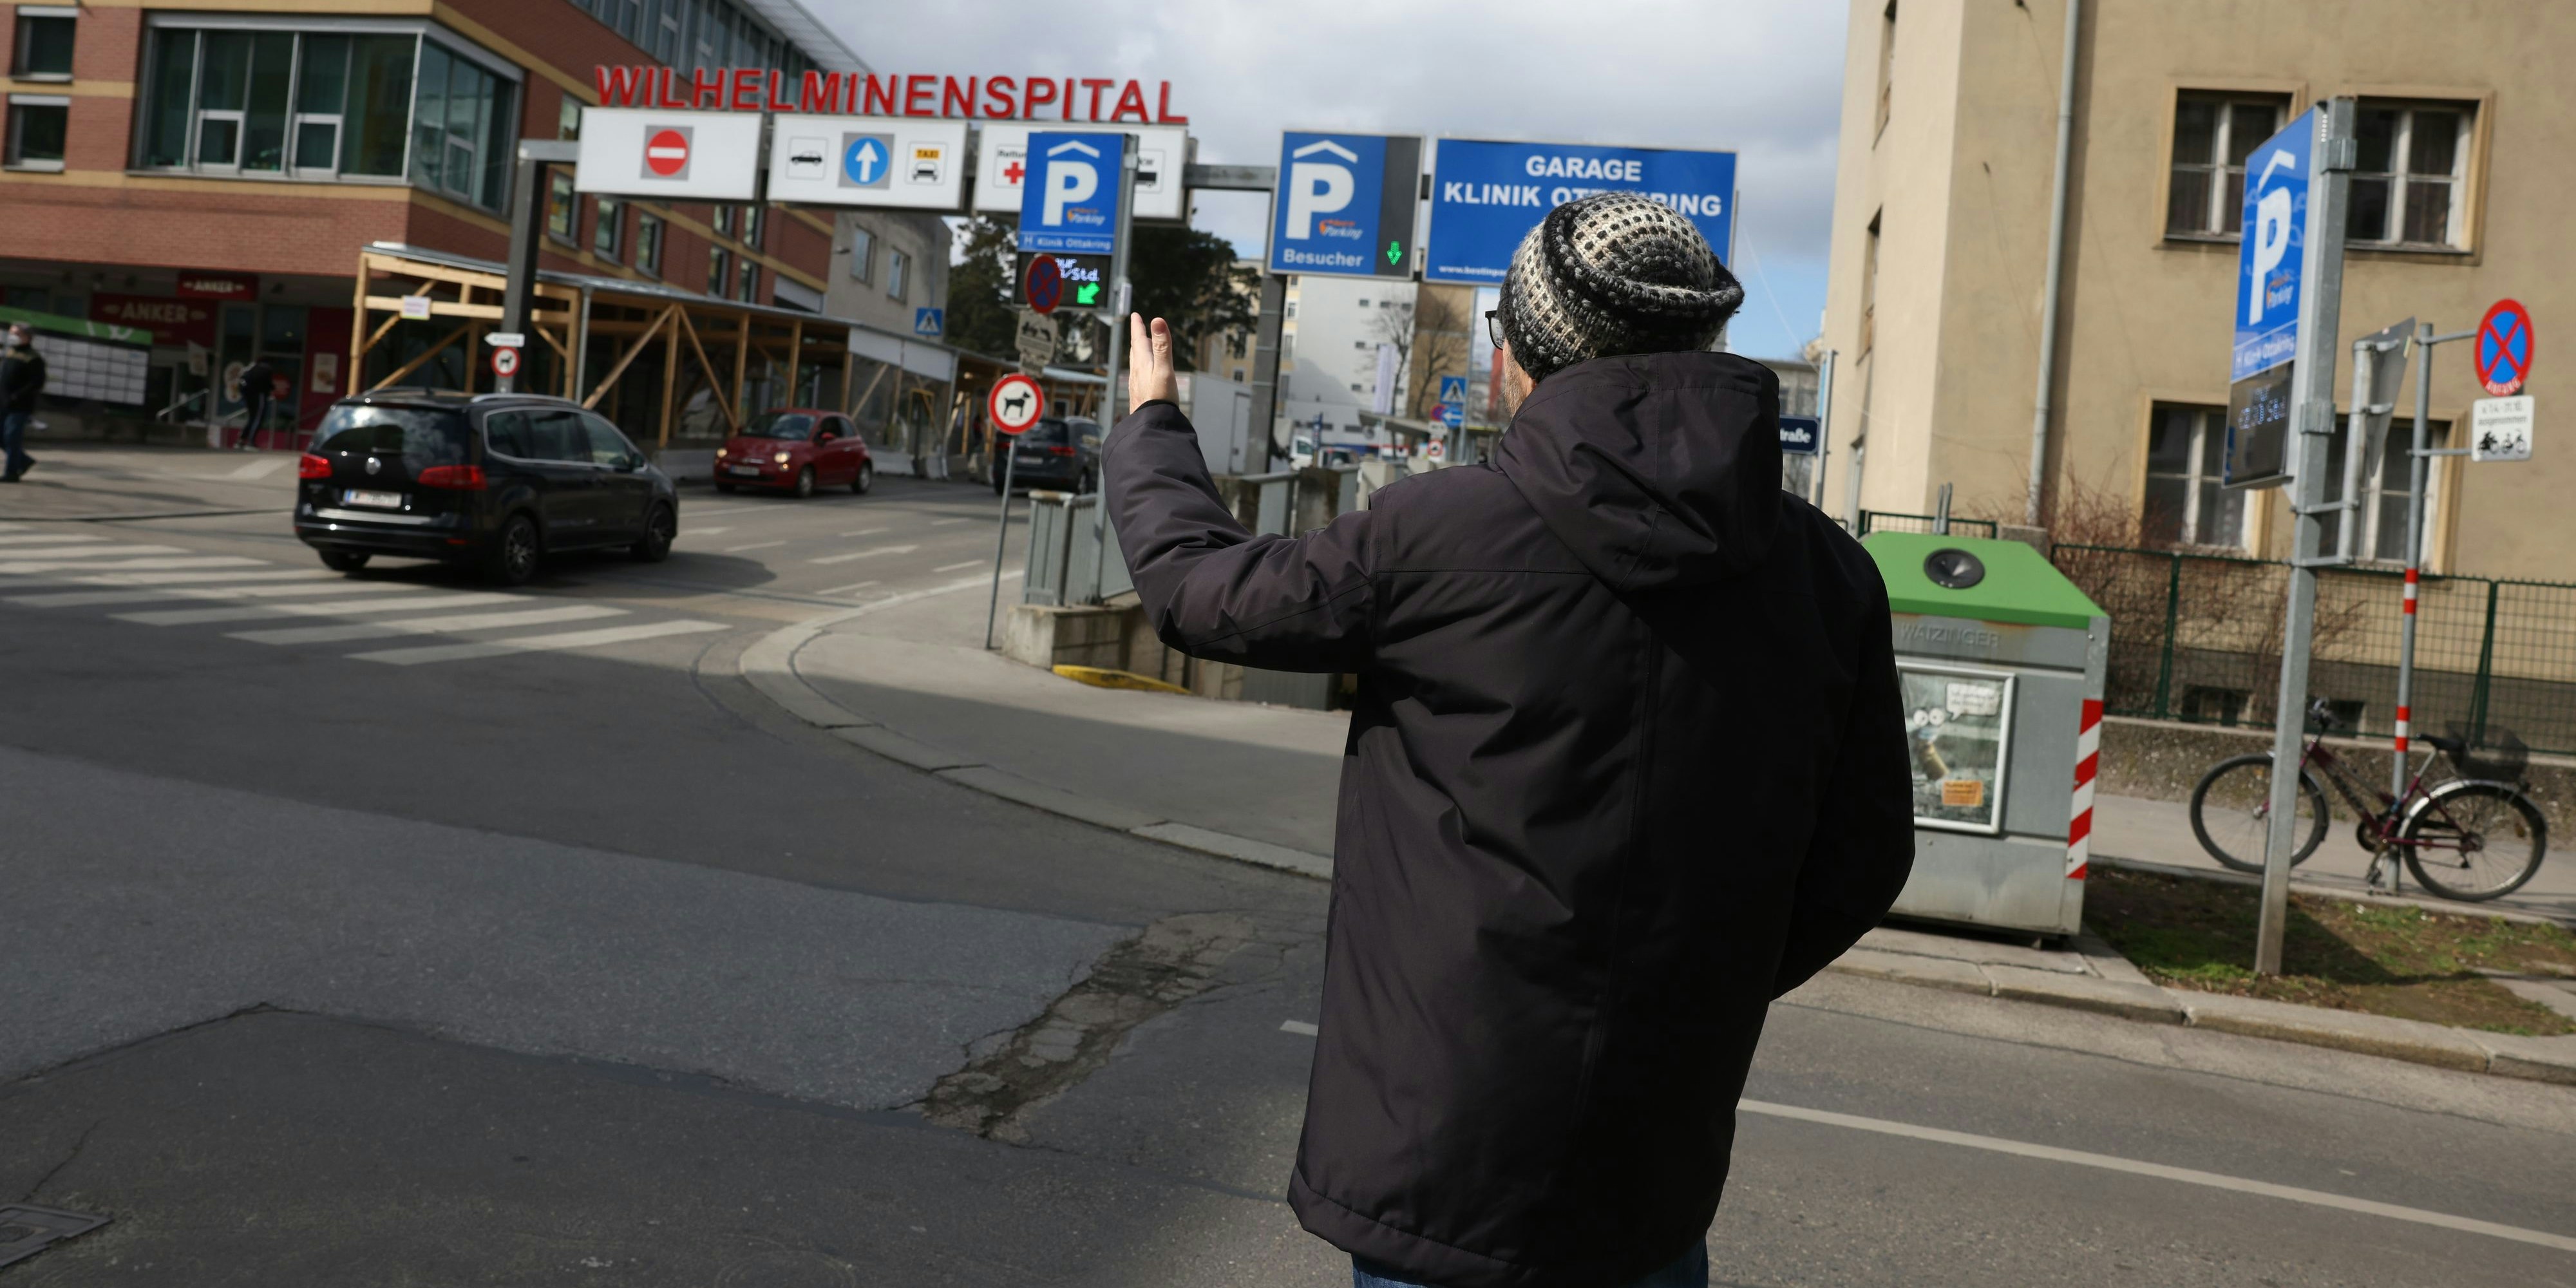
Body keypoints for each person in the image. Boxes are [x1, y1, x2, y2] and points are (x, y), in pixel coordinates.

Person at [1103, 192, 1913, 1288]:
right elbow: (1866, 856)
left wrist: (1152, 424)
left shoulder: (1434, 536)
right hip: (1652, 1167)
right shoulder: (1829, 575)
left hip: (1444, 1158)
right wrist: (1694, 983)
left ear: (1524, 359)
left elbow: (1203, 595)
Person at [0, 323, 44, 482]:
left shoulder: (34, 358)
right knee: (2, 437)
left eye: (17, 334)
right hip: (3, 403)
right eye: (11, 333)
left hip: (20, 406)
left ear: (27, 337)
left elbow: (37, 382)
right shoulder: (11, 353)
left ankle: (11, 473)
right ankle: (24, 461)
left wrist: (17, 396)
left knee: (12, 438)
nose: (12, 336)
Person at [235, 355, 277, 450]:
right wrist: (272, 388)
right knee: (258, 418)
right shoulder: (266, 370)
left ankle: (241, 440)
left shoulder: (252, 368)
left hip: (248, 396)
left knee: (252, 418)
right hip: (259, 396)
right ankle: (251, 442)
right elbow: (267, 384)